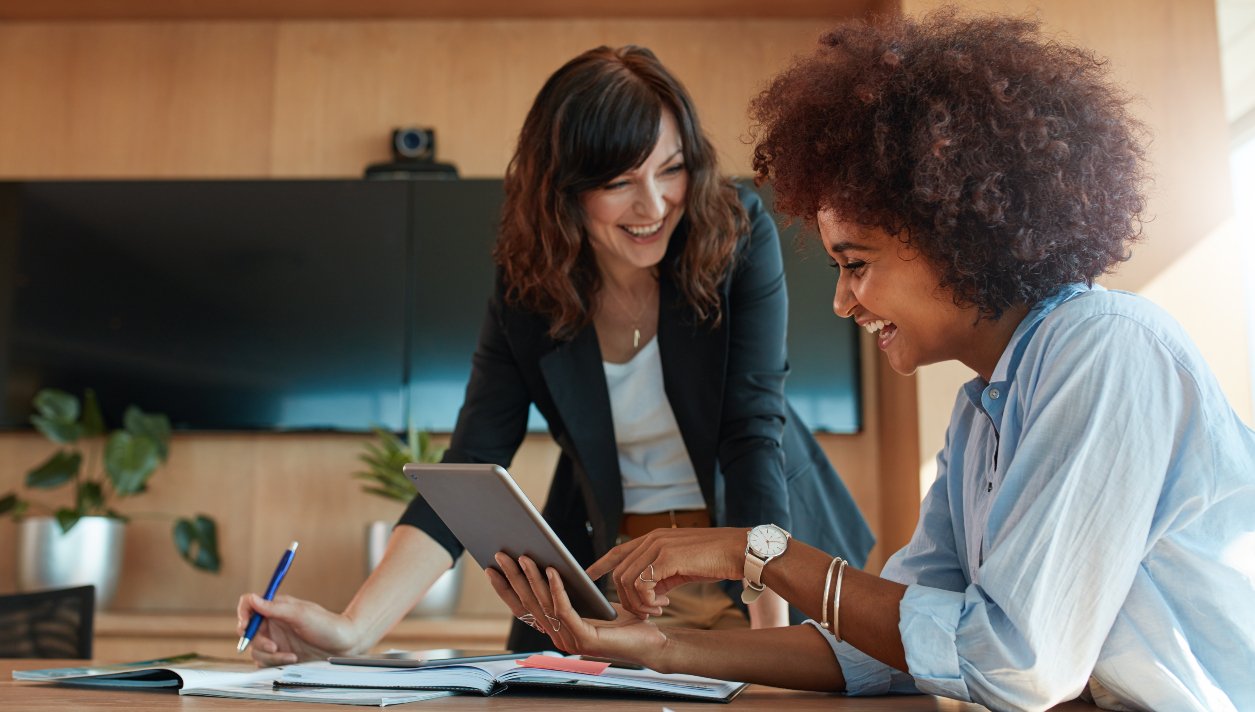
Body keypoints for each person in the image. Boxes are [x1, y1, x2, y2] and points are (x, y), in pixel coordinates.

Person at [487, 12, 1255, 712]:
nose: (843, 302)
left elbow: (1014, 665)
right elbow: (890, 647)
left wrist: (758, 552)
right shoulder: (982, 413)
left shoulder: (1105, 349)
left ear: (952, 234)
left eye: (855, 264)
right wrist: (655, 649)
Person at [237, 45, 873, 664]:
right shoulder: (530, 286)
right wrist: (351, 630)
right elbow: (472, 463)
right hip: (620, 583)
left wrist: (771, 644)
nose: (653, 205)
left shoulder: (735, 233)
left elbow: (750, 432)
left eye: (671, 168)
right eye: (620, 182)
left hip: (761, 569)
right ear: (564, 190)